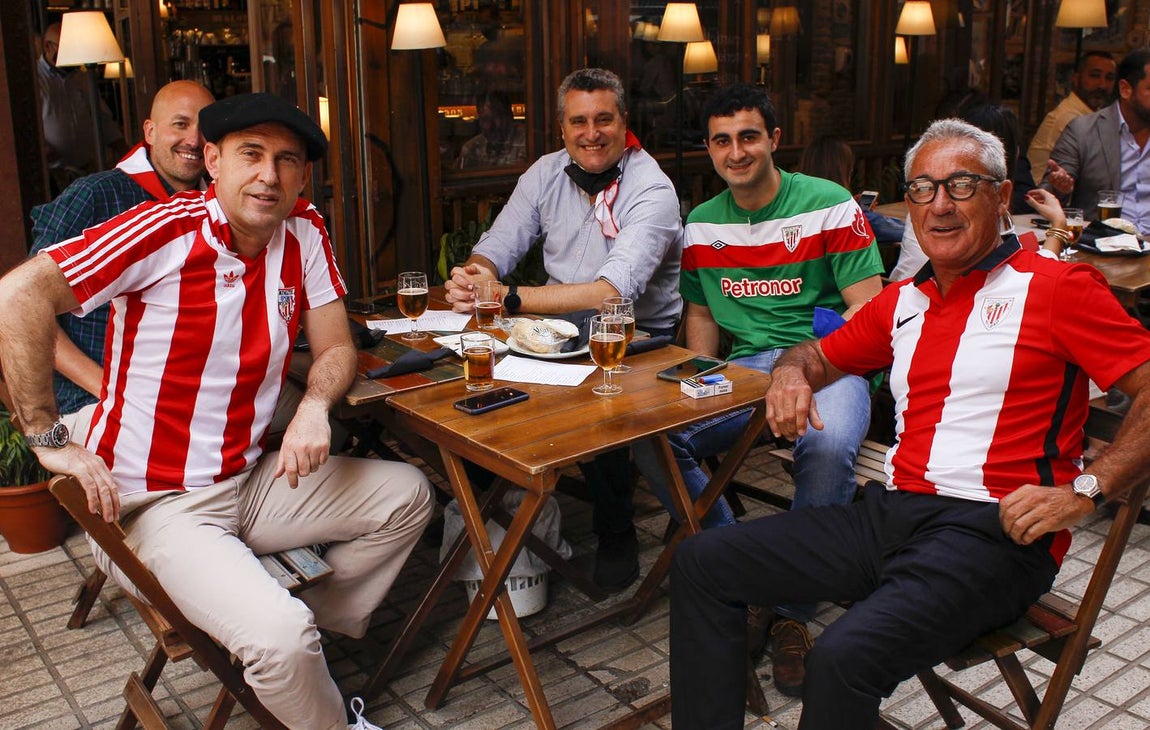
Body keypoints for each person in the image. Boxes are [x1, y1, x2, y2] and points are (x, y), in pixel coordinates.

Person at [668, 118, 1150, 729]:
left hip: (994, 535)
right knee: (702, 563)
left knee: (840, 658)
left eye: (961, 186)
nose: (939, 205)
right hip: (892, 516)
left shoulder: (1055, 288)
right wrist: (791, 374)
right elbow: (817, 353)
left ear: (1002, 199)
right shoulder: (905, 302)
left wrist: (1085, 491)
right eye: (922, 189)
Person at [0, 93, 434, 730]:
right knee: (281, 637)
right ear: (213, 160)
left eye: (287, 161)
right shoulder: (163, 230)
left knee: (409, 496)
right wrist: (44, 433)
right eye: (250, 155)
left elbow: (338, 345)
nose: (269, 175)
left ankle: (310, 634)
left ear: (304, 177)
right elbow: (17, 294)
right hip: (158, 504)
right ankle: (315, 694)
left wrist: (315, 405)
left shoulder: (304, 231)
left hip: (248, 480)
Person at [632, 82, 884, 697]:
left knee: (825, 450)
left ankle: (791, 617)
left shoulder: (829, 204)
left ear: (774, 139)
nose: (736, 151)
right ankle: (746, 576)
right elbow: (701, 320)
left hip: (830, 363)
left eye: (748, 136)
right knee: (651, 439)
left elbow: (871, 315)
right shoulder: (702, 222)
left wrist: (810, 371)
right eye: (722, 140)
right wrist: (685, 388)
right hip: (742, 372)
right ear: (710, 150)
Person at [444, 67, 683, 592]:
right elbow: (499, 243)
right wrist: (474, 274)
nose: (591, 133)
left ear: (624, 122)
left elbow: (611, 293)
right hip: (557, 323)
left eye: (603, 119)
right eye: (579, 121)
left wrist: (508, 298)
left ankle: (616, 530)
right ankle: (493, 502)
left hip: (638, 335)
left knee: (598, 401)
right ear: (561, 128)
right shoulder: (545, 173)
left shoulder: (653, 189)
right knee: (478, 378)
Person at [29, 80, 215, 445]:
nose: (194, 139)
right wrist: (108, 390)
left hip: (184, 393)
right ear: (149, 131)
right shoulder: (96, 195)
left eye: (204, 128)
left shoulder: (214, 205)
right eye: (180, 124)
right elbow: (27, 307)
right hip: (96, 400)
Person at [1043, 48, 1150, 233]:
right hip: (1102, 247)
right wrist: (1061, 187)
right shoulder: (1082, 131)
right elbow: (1046, 198)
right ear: (1125, 89)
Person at [37, 22, 127, 195]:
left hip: (85, 169)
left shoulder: (82, 78)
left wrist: (123, 149)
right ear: (48, 47)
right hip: (53, 173)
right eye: (67, 48)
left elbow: (102, 118)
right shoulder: (36, 79)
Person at [1028, 51, 1117, 184]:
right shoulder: (1069, 118)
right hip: (1043, 195)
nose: (1102, 85)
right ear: (1076, 79)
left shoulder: (1093, 114)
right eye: (1095, 76)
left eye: (1109, 78)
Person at [797, 135, 904, 243]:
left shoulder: (794, 209)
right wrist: (855, 210)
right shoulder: (851, 217)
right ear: (843, 174)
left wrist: (854, 205)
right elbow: (904, 232)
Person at [457, 90, 527, 169]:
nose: (488, 126)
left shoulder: (527, 142)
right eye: (485, 119)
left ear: (509, 116)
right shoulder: (471, 148)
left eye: (495, 117)